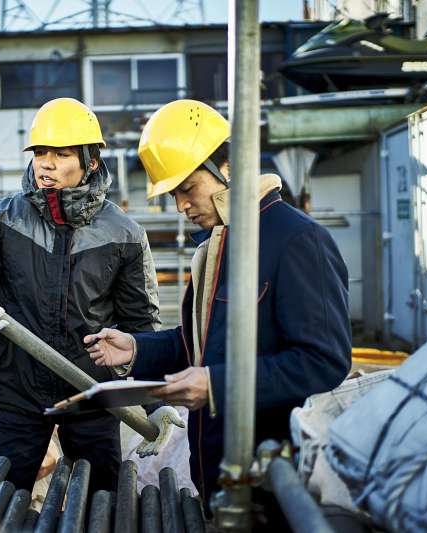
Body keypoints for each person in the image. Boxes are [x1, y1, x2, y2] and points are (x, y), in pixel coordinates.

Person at [85, 99, 352, 509]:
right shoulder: (221, 245)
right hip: (223, 472)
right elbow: (205, 345)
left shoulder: (297, 240)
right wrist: (138, 348)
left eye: (187, 189)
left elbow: (324, 362)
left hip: (276, 479)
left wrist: (216, 385)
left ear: (226, 167)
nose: (180, 206)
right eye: (174, 194)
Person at [0, 97, 162, 494]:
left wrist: (156, 402)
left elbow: (141, 329)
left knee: (100, 506)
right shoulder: (2, 219)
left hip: (93, 395)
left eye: (62, 153)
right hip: (17, 396)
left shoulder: (125, 234)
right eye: (41, 152)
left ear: (91, 161)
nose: (46, 163)